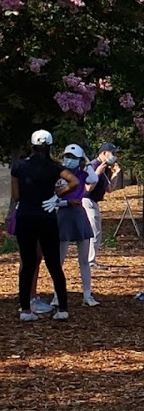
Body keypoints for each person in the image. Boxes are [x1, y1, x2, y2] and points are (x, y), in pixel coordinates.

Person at [12, 130, 78, 321]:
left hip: (25, 217)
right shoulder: (54, 167)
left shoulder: (19, 167)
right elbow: (73, 181)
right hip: (46, 216)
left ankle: (25, 309)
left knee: (27, 264)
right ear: (50, 146)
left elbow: (16, 196)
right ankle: (63, 309)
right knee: (54, 264)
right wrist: (58, 194)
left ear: (32, 145)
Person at [56, 144, 100, 307]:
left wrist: (87, 162)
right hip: (63, 216)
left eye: (74, 158)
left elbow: (94, 179)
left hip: (79, 215)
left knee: (84, 259)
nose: (70, 160)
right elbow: (52, 200)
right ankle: (56, 295)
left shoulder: (82, 174)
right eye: (68, 157)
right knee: (59, 259)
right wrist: (66, 202)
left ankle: (87, 294)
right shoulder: (59, 175)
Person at [84, 142, 120, 271]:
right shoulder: (93, 166)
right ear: (104, 153)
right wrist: (97, 173)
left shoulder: (104, 168)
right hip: (87, 200)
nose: (115, 156)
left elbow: (110, 188)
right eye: (113, 153)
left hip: (94, 201)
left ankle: (90, 260)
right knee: (94, 231)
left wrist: (115, 174)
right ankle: (90, 261)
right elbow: (87, 188)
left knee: (95, 231)